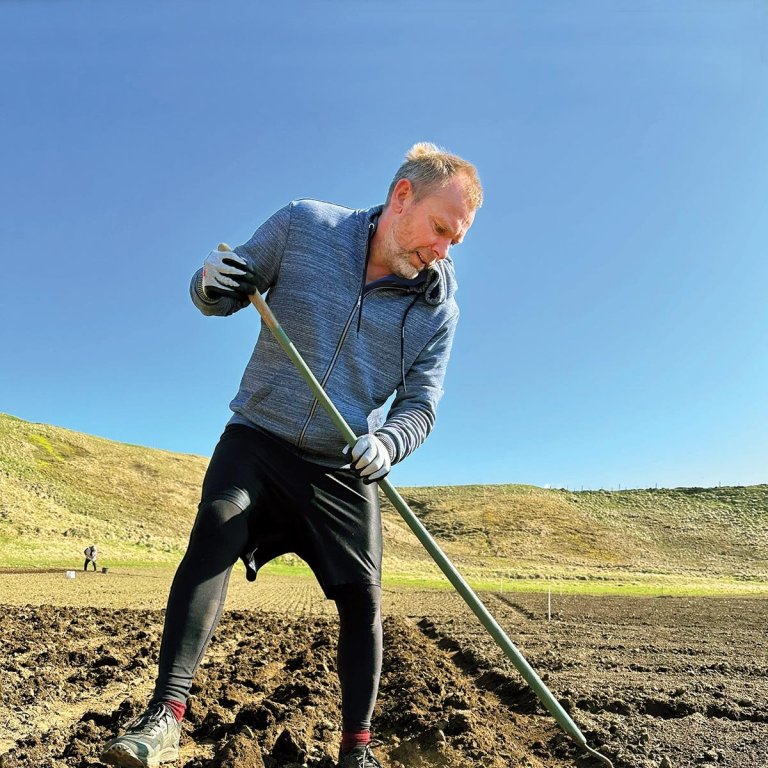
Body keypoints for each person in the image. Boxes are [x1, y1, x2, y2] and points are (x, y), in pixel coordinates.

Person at [100, 143, 482, 768]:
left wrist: (387, 442)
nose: (442, 249)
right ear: (402, 196)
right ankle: (163, 716)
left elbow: (422, 405)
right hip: (259, 435)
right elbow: (221, 292)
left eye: (455, 241)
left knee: (363, 594)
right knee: (218, 523)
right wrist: (210, 280)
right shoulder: (305, 226)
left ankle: (356, 748)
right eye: (440, 230)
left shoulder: (437, 312)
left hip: (340, 463)